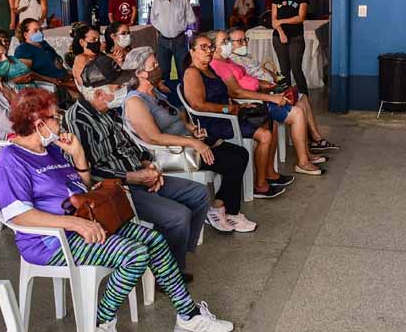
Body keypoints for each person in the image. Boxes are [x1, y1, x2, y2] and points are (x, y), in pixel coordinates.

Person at [0, 88, 233, 332]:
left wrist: (79, 156)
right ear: (38, 124)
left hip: (86, 222)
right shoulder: (10, 160)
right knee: (135, 254)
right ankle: (100, 324)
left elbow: (81, 190)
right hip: (51, 241)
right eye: (55, 118)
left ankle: (187, 315)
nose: (60, 123)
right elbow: (17, 215)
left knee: (153, 239)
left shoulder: (52, 151)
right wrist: (73, 224)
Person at [65, 56, 210, 276]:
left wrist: (148, 165)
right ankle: (169, 273)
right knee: (178, 216)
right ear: (99, 94)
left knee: (199, 194)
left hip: (140, 175)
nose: (124, 88)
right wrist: (134, 176)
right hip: (118, 189)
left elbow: (131, 142)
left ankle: (169, 258)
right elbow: (90, 170)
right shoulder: (78, 121)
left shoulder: (109, 111)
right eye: (118, 86)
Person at [122, 47, 254, 233]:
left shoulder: (154, 92)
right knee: (232, 161)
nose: (159, 68)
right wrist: (194, 143)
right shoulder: (135, 101)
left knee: (240, 153)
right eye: (154, 65)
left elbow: (176, 116)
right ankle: (229, 212)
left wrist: (192, 130)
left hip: (185, 142)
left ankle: (218, 205)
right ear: (140, 73)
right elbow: (154, 138)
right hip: (170, 153)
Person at [182, 34, 290, 199]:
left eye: (210, 47)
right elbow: (198, 106)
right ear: (192, 51)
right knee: (265, 135)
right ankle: (260, 186)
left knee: (270, 123)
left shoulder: (209, 69)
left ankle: (268, 174)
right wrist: (227, 109)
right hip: (213, 123)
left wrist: (239, 106)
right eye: (203, 48)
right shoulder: (192, 73)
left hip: (226, 115)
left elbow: (223, 95)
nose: (208, 51)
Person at [208, 30, 325, 176]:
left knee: (300, 102)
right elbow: (236, 92)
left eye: (228, 41)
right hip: (253, 102)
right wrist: (271, 98)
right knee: (297, 113)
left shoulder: (227, 61)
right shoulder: (218, 65)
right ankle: (302, 162)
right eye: (225, 42)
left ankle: (306, 153)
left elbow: (249, 79)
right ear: (213, 47)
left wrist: (268, 85)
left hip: (261, 95)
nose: (229, 44)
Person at [228, 27, 338, 153]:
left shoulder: (246, 56)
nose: (244, 44)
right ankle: (304, 153)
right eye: (239, 41)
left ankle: (314, 139)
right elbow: (247, 86)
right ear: (229, 43)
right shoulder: (233, 62)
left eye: (245, 40)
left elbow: (260, 69)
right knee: (298, 110)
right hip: (262, 96)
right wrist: (271, 89)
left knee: (302, 98)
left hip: (271, 88)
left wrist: (274, 77)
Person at [150, 0, 196, 83]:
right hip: (163, 41)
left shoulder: (182, 0)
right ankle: (166, 96)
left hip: (180, 40)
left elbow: (191, 19)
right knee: (163, 71)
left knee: (183, 69)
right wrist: (162, 28)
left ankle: (184, 93)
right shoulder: (157, 2)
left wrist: (186, 31)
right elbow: (153, 20)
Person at [272, 0, 310, 96]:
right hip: (279, 37)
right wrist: (281, 32)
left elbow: (300, 18)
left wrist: (282, 21)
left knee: (296, 68)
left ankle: (305, 96)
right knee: (284, 70)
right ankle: (287, 97)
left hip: (296, 37)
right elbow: (273, 20)